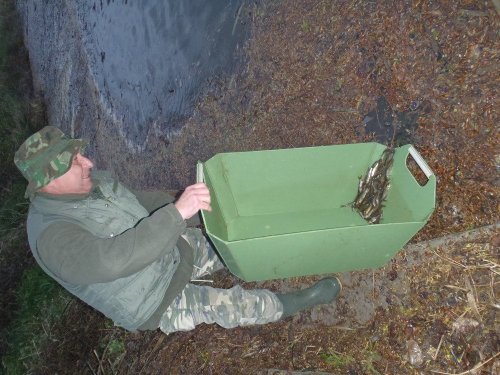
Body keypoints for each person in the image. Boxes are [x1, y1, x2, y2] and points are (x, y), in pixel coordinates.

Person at [14, 126, 341, 333]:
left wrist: (197, 210)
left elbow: (144, 202)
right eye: (76, 163)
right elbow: (110, 261)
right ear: (51, 181)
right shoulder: (51, 238)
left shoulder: (91, 184)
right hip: (153, 300)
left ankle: (293, 250)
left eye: (80, 155)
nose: (89, 163)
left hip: (171, 251)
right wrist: (177, 214)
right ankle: (294, 302)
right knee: (232, 306)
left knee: (228, 239)